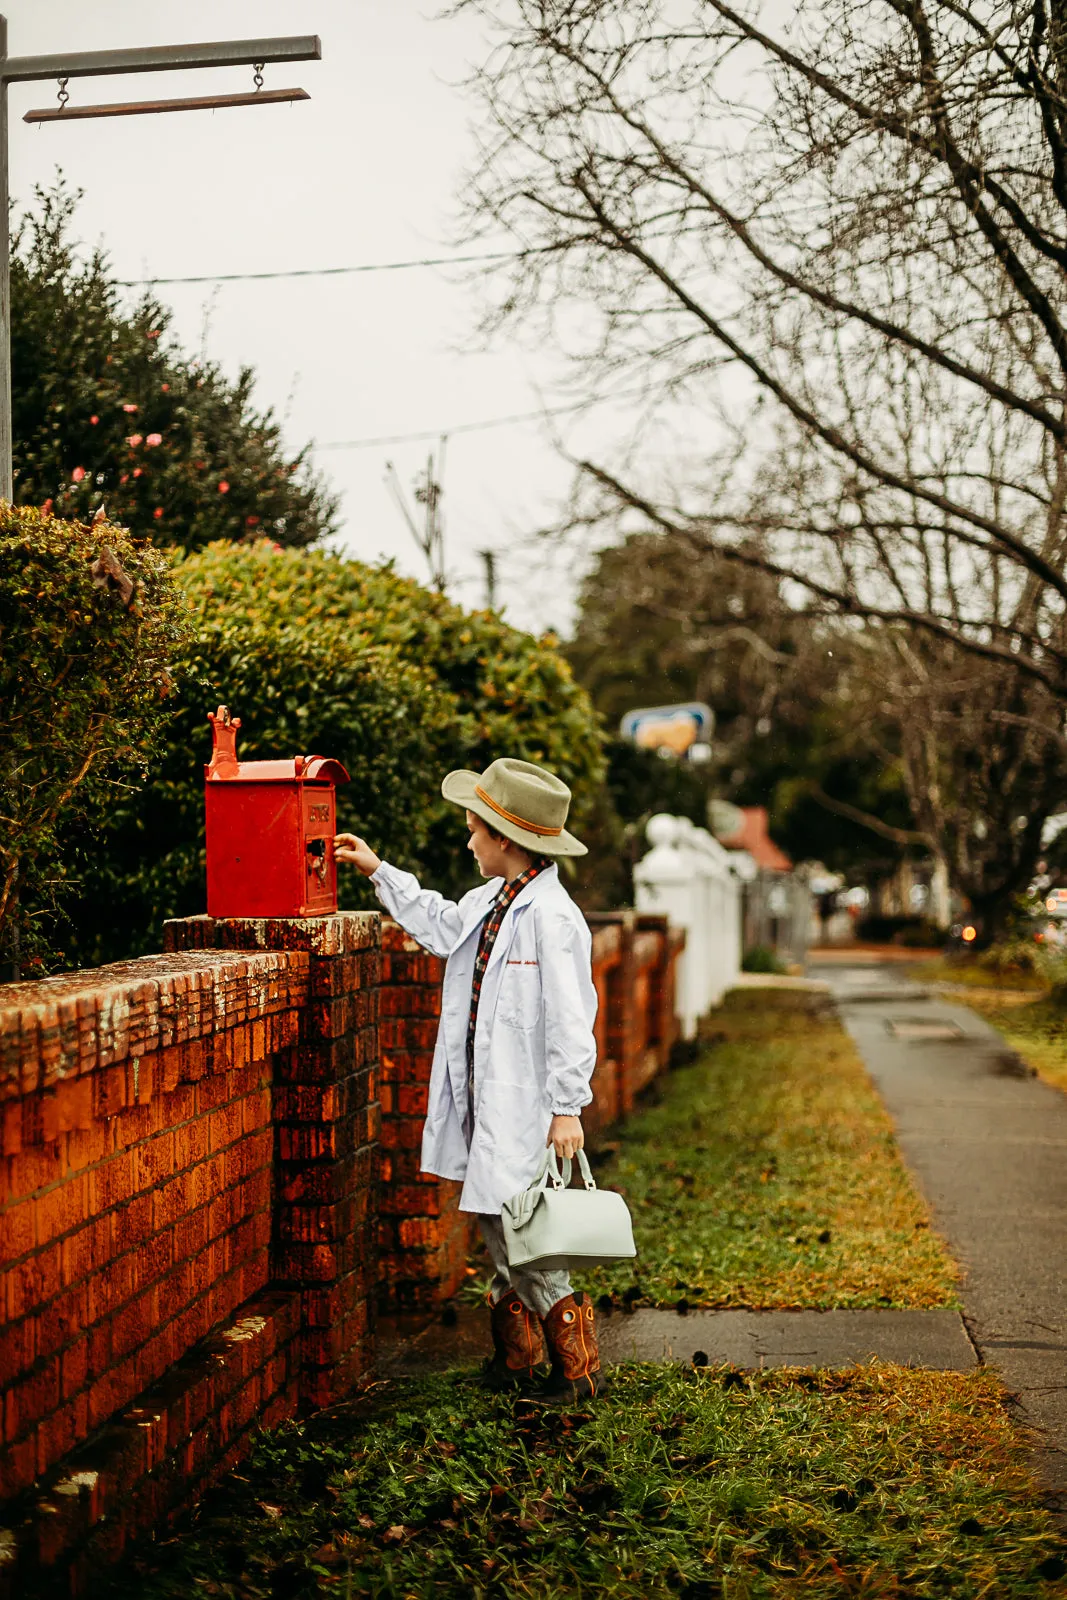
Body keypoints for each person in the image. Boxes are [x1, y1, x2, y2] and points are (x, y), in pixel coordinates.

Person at [334, 756, 603, 1400]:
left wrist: (567, 1106)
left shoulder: (553, 918)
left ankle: (576, 1367)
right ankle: (518, 1359)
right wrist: (380, 872)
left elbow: (573, 1018)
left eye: (474, 829)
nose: (468, 840)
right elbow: (440, 925)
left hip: (526, 1108)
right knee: (496, 1224)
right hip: (486, 1101)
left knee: (525, 1233)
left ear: (504, 838)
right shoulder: (491, 900)